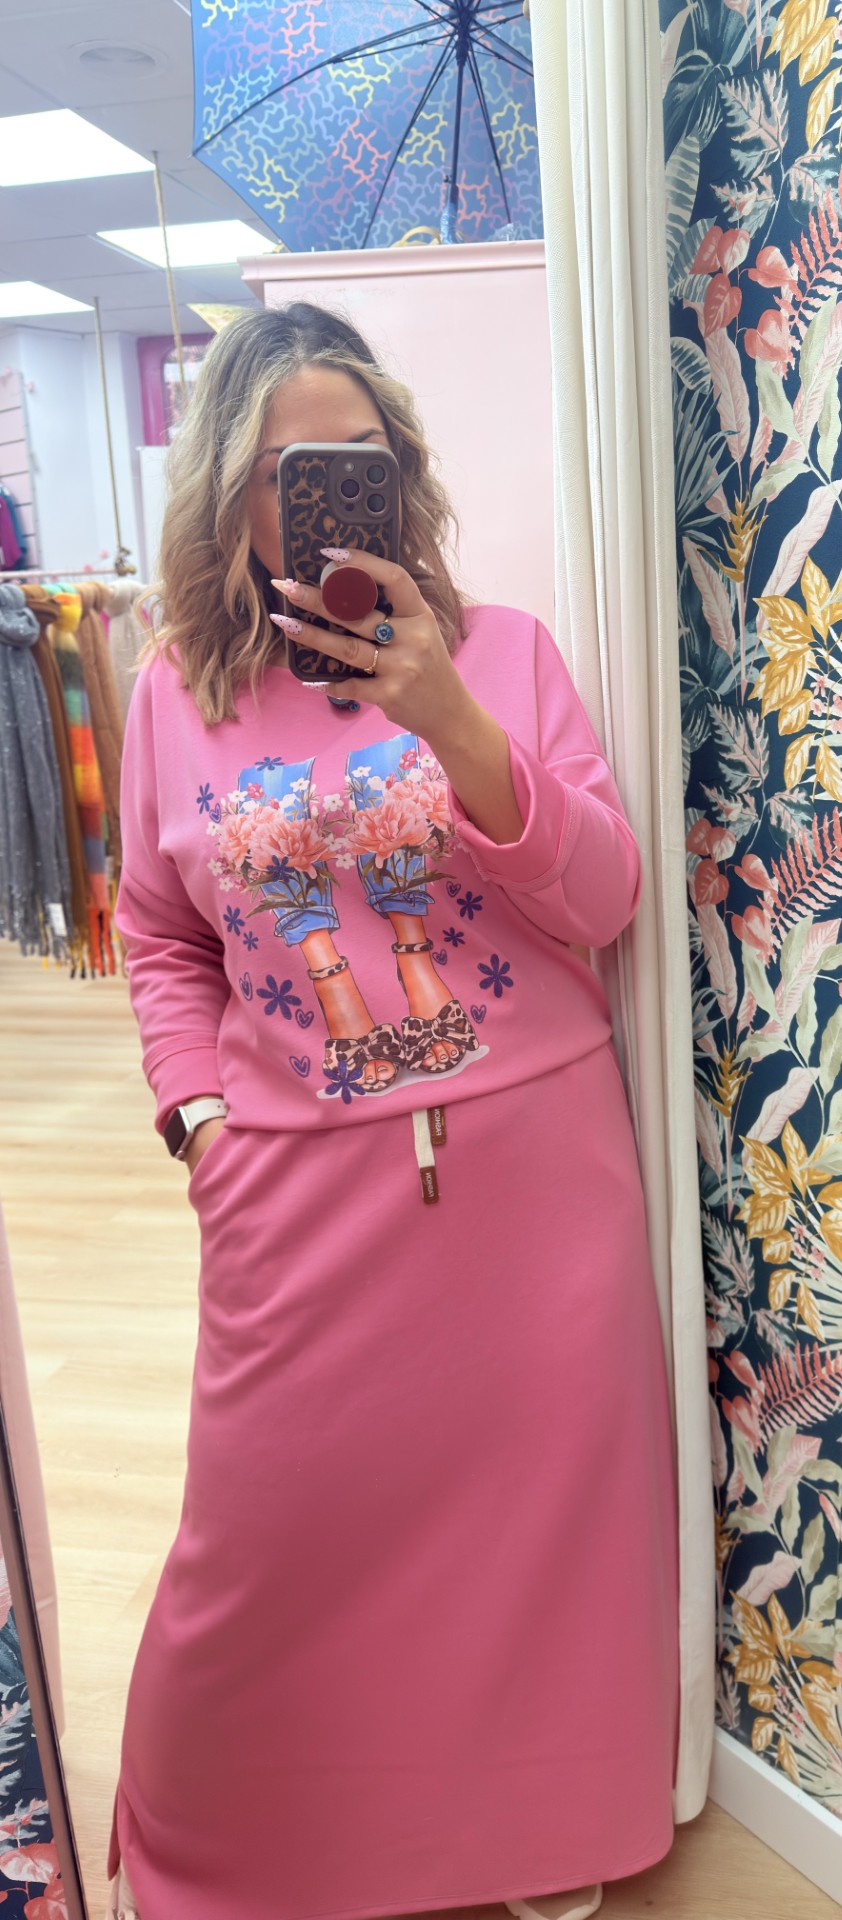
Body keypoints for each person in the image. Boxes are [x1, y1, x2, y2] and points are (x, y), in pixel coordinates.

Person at [106, 301, 680, 1920]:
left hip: (536, 1197)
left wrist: (452, 720)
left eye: (354, 462)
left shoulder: (505, 658)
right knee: (262, 1557)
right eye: (285, 474)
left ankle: (540, 1831)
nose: (322, 503)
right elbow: (156, 932)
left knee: (539, 1550)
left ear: (400, 474)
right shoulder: (174, 696)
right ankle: (227, 1847)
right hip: (292, 1199)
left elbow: (604, 899)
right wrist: (197, 1116)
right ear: (230, 496)